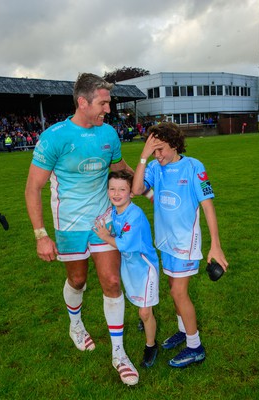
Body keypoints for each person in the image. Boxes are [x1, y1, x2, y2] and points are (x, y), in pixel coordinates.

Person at [25, 73, 139, 386]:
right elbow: (33, 188)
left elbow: (119, 169)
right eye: (103, 103)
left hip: (103, 221)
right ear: (83, 102)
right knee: (77, 279)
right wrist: (41, 235)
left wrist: (146, 179)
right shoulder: (55, 136)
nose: (108, 108)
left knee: (112, 281)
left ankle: (119, 353)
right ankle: (76, 325)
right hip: (69, 225)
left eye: (109, 102)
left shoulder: (109, 134)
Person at [132, 122, 229, 368]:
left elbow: (208, 206)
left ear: (175, 145)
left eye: (160, 149)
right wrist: (144, 157)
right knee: (172, 286)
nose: (158, 155)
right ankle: (183, 330)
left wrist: (215, 245)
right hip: (165, 241)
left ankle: (195, 347)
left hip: (186, 242)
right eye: (153, 151)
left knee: (178, 292)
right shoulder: (154, 166)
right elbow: (136, 189)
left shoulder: (194, 167)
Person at [93, 170, 159, 368]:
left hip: (145, 269)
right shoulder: (115, 210)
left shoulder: (135, 215)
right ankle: (145, 320)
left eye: (122, 189)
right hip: (129, 267)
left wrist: (105, 236)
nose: (116, 193)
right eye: (112, 189)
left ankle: (151, 346)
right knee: (139, 307)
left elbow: (123, 244)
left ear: (131, 193)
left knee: (145, 312)